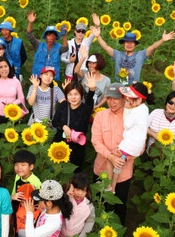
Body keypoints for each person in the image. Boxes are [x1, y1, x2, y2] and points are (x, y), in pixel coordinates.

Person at [91, 83, 132, 225]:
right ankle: (97, 232)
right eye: (108, 98)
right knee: (99, 202)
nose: (111, 102)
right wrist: (110, 157)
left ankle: (116, 235)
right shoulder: (101, 115)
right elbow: (96, 140)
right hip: (101, 168)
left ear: (123, 98)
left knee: (119, 205)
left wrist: (121, 158)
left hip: (123, 173)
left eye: (115, 98)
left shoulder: (131, 117)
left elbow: (139, 145)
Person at [90, 17, 175, 84]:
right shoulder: (117, 54)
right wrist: (98, 36)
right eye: (127, 42)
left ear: (135, 45)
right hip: (119, 85)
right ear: (123, 44)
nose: (129, 44)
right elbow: (106, 47)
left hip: (133, 87)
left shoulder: (140, 55)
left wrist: (162, 40)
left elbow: (152, 47)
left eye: (132, 43)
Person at [105, 83, 155, 193]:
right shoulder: (144, 108)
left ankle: (108, 184)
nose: (127, 99)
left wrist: (127, 109)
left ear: (139, 100)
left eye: (130, 98)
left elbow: (126, 124)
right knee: (119, 164)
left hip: (130, 144)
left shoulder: (135, 111)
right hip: (138, 145)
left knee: (110, 158)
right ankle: (113, 188)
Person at [9, 150, 42, 237]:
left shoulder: (36, 182)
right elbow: (13, 194)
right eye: (16, 164)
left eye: (23, 165)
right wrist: (13, 197)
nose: (19, 168)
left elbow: (41, 203)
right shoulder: (18, 178)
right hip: (18, 219)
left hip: (32, 221)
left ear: (31, 167)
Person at [52, 81, 93, 172]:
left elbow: (89, 102)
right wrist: (63, 126)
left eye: (76, 94)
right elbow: (55, 122)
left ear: (81, 95)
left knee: (74, 173)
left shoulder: (85, 109)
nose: (73, 97)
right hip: (60, 145)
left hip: (76, 149)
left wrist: (92, 90)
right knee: (57, 171)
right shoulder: (63, 105)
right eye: (70, 94)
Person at [26, 11, 68, 81]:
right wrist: (30, 23)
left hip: (52, 79)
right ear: (45, 36)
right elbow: (29, 35)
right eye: (49, 35)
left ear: (56, 37)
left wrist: (64, 36)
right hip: (38, 78)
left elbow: (65, 48)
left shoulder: (58, 47)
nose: (51, 37)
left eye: (53, 35)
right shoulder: (38, 45)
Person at [58, 173, 95, 237]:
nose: (80, 193)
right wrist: (66, 197)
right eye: (77, 189)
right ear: (72, 187)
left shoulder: (88, 206)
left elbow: (90, 221)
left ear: (87, 192)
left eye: (83, 191)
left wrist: (83, 236)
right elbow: (58, 210)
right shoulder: (66, 199)